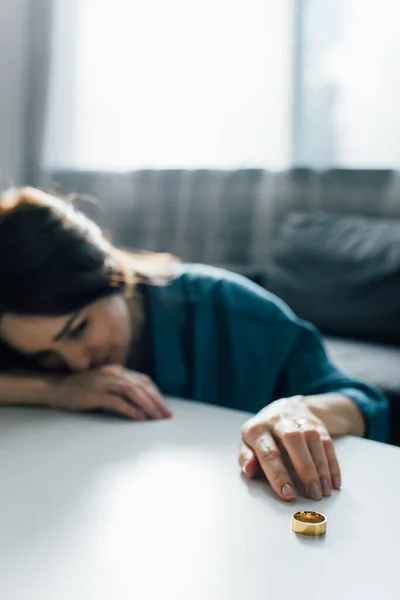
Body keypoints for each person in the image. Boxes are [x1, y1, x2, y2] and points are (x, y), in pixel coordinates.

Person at [0, 187, 389, 503]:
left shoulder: (231, 309)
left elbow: (362, 401)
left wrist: (299, 410)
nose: (75, 362)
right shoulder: (37, 351)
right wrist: (53, 389)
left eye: (78, 328)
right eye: (45, 357)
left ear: (110, 270)